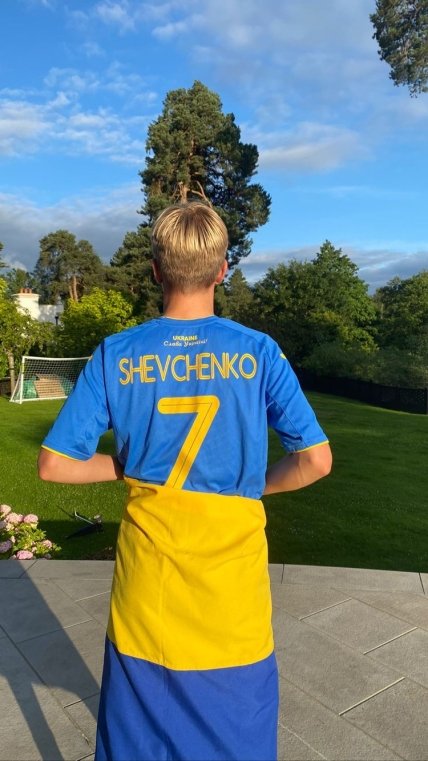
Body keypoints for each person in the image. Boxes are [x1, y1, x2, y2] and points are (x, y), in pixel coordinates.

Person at [38, 202, 332, 761]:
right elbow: (315, 461)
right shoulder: (259, 351)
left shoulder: (116, 353)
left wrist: (126, 467)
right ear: (223, 269)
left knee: (139, 742)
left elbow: (54, 464)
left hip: (147, 589)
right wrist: (254, 485)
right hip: (231, 592)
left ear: (156, 270)